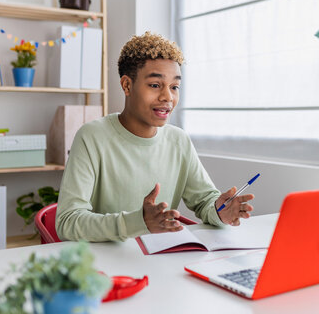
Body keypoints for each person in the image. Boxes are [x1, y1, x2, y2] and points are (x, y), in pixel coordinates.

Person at [56, 32, 255, 242]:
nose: (168, 97)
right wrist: (137, 222)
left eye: (174, 87)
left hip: (159, 258)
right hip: (106, 262)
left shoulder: (179, 140)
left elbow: (205, 199)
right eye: (155, 85)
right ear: (126, 85)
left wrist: (219, 210)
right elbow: (67, 221)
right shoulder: (92, 137)